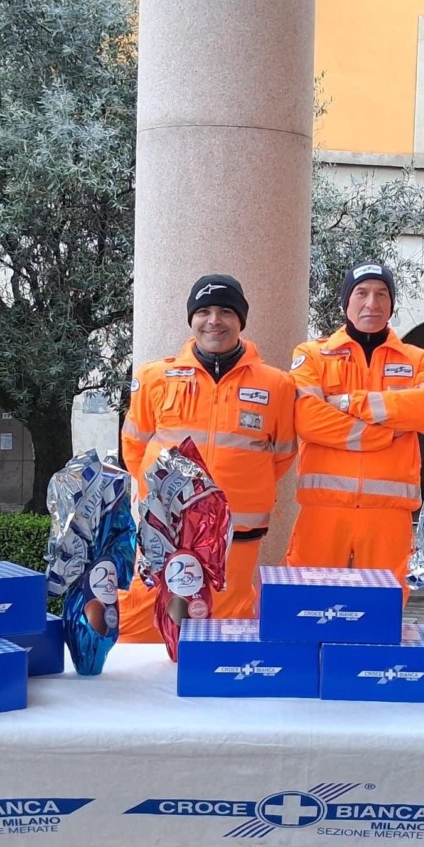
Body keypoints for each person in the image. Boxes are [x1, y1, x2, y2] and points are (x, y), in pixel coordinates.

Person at [118, 273, 297, 642]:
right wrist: (163, 507)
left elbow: (281, 456)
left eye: (226, 312)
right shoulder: (156, 378)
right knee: (142, 621)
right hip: (166, 535)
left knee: (225, 628)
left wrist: (240, 492)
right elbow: (134, 449)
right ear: (192, 319)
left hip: (239, 536)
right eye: (205, 311)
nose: (214, 320)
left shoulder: (277, 385)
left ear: (240, 321)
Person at [285, 260, 424, 589]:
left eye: (382, 294)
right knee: (307, 603)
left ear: (391, 303)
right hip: (323, 510)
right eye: (362, 293)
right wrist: (384, 432)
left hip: (389, 514)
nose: (372, 303)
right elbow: (308, 418)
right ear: (346, 302)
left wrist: (348, 403)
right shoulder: (313, 355)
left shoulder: (418, 359)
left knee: (384, 613)